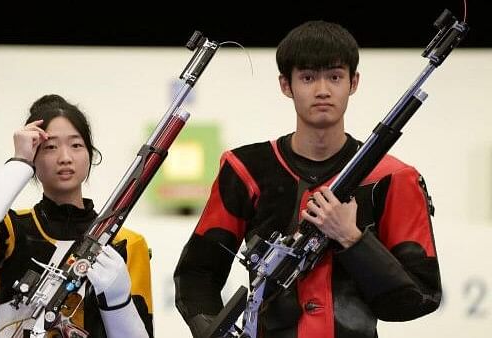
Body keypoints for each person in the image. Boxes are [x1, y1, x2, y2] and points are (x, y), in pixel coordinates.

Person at [173, 20, 442, 338]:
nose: (323, 90)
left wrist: (351, 238)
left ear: (353, 82)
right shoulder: (246, 169)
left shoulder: (394, 177)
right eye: (308, 77)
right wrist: (214, 332)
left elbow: (419, 298)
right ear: (286, 85)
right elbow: (196, 274)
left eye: (335, 76)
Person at [0, 94, 153, 338]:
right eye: (50, 147)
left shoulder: (125, 243)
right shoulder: (12, 229)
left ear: (90, 155)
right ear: (34, 157)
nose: (65, 157)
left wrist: (118, 303)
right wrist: (19, 162)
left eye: (76, 145)